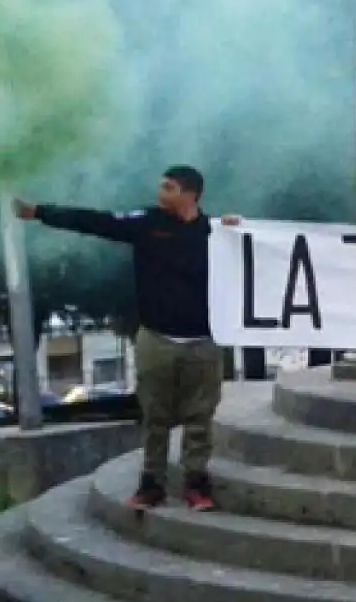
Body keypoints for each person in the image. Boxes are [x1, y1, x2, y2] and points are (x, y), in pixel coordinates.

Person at [15, 166, 241, 511]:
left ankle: (196, 484)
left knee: (200, 418)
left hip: (205, 342)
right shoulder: (146, 223)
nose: (160, 192)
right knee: (155, 416)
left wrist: (241, 230)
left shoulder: (215, 232)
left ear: (190, 194)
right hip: (156, 339)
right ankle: (152, 484)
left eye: (169, 187)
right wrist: (41, 213)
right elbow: (97, 221)